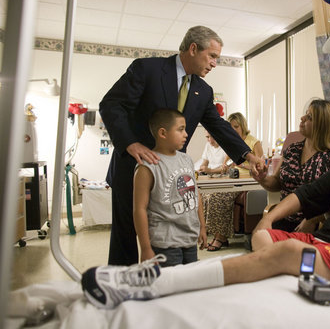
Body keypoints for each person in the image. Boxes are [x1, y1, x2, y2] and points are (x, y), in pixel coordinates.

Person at [81, 114, 330, 310]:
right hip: (319, 246)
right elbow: (306, 195)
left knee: (284, 251)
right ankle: (283, 270)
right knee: (267, 237)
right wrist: (267, 219)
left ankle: (155, 284)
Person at [99, 26, 265, 265]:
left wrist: (249, 156)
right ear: (193, 48)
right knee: (126, 236)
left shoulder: (203, 91)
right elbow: (111, 104)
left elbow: (218, 126)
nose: (215, 63)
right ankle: (121, 289)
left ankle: (165, 287)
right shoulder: (147, 70)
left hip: (172, 177)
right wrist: (130, 143)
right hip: (135, 167)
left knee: (169, 235)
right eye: (212, 56)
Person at [257, 99, 330, 232]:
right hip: (285, 220)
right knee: (259, 242)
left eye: (309, 117)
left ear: (324, 125)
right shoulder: (293, 149)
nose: (302, 118)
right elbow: (277, 183)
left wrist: (314, 219)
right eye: (305, 114)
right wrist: (262, 178)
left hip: (319, 225)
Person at [133, 109, 207, 267]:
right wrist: (145, 248)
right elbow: (139, 209)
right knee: (172, 287)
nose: (186, 134)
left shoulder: (186, 160)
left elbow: (195, 193)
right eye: (180, 129)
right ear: (163, 133)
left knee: (189, 285)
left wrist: (202, 226)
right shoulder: (148, 166)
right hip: (165, 243)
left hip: (189, 240)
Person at [205, 112, 263, 251]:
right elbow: (227, 164)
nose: (233, 130)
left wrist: (243, 165)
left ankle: (221, 237)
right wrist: (224, 167)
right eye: (231, 128)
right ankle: (218, 235)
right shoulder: (231, 143)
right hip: (233, 180)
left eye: (236, 127)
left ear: (242, 126)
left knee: (220, 197)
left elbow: (261, 165)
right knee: (211, 195)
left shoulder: (254, 142)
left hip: (247, 182)